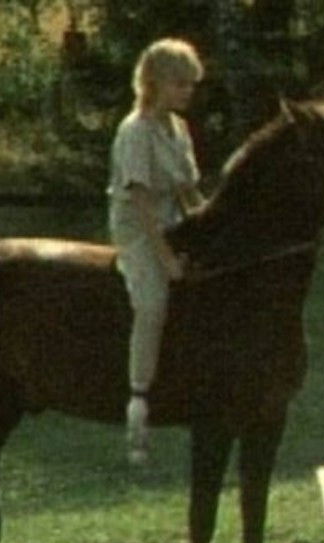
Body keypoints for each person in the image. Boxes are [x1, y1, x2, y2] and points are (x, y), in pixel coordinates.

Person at [109, 38, 206, 464]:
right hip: (139, 227)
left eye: (191, 84)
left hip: (174, 218)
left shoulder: (178, 129)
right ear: (154, 83)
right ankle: (139, 399)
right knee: (152, 302)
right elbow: (141, 200)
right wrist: (165, 256)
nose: (187, 92)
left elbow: (189, 190)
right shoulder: (135, 131)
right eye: (179, 84)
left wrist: (208, 226)